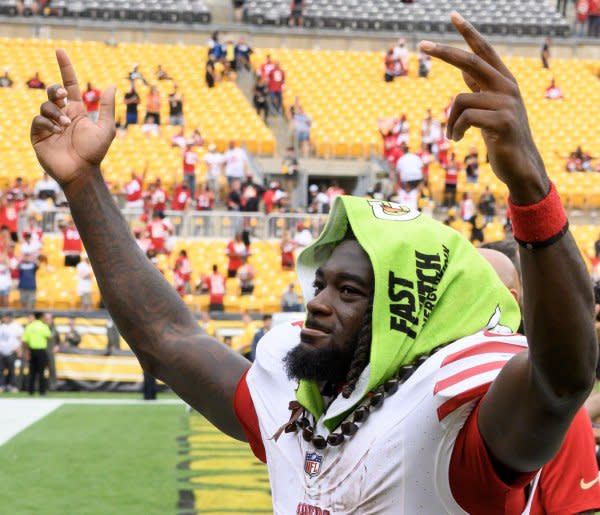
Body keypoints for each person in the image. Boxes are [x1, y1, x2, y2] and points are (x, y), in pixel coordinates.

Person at [30, 18, 599, 511]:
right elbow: (165, 339)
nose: (319, 300)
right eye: (322, 281)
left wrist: (529, 186)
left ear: (407, 314)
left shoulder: (449, 416)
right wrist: (83, 185)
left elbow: (561, 382)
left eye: (350, 291)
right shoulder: (299, 394)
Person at [22, 312, 51, 396]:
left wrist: (27, 350)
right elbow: (49, 337)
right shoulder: (43, 326)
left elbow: (24, 341)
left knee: (32, 372)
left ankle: (30, 391)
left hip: (32, 350)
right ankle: (42, 391)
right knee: (42, 372)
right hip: (41, 351)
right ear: (41, 317)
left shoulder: (29, 326)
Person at [0, 313, 23, 392]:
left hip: (12, 351)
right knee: (1, 370)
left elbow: (20, 338)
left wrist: (19, 349)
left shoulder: (16, 326)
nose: (3, 319)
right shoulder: (1, 327)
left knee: (12, 370)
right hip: (1, 351)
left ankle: (12, 385)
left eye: (5, 317)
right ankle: (1, 385)